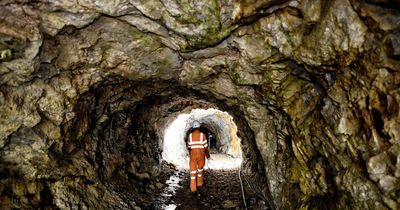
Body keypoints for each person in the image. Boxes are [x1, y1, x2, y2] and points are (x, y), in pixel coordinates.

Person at [187, 121, 210, 193]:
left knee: (192, 172)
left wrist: (191, 154)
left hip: (193, 156)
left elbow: (189, 147)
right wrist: (207, 155)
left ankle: (193, 188)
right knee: (200, 170)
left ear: (193, 127)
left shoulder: (190, 136)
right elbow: (205, 147)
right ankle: (199, 183)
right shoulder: (202, 135)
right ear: (199, 127)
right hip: (201, 155)